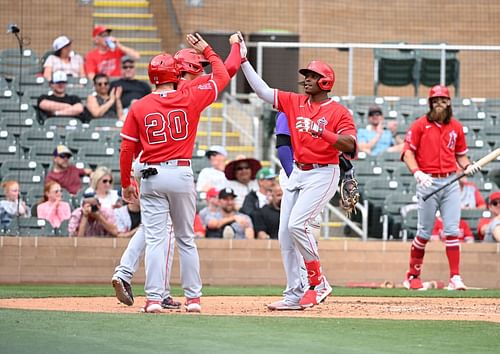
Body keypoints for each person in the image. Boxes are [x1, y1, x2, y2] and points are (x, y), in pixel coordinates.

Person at [111, 34, 243, 311]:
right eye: (196, 65)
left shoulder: (139, 105)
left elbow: (126, 150)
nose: (199, 68)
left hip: (148, 172)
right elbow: (224, 73)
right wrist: (218, 48)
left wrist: (125, 184)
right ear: (180, 70)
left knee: (156, 238)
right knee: (185, 239)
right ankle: (193, 299)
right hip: (180, 171)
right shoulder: (191, 94)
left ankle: (154, 299)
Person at [240, 33, 357, 309]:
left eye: (312, 76)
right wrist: (244, 60)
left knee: (297, 225)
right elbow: (263, 91)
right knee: (285, 235)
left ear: (325, 82)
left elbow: (350, 144)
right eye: (306, 75)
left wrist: (321, 131)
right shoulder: (295, 102)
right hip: (299, 173)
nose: (306, 79)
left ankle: (318, 283)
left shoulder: (338, 111)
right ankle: (294, 293)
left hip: (323, 172)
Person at [400, 84, 480, 291]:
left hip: (450, 181)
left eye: (443, 100)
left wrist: (467, 166)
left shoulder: (456, 126)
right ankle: (412, 276)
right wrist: (417, 173)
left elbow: (460, 154)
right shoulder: (420, 125)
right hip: (427, 181)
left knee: (452, 231)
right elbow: (408, 152)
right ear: (430, 104)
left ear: (449, 103)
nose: (439, 104)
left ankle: (455, 277)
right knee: (424, 233)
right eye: (435, 101)